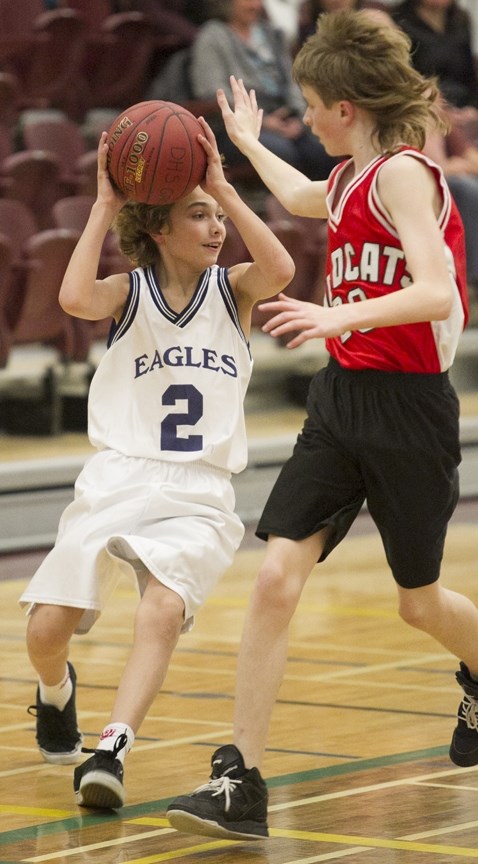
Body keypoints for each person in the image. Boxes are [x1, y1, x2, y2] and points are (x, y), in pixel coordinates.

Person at [166, 10, 478, 842]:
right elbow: (303, 196)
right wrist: (236, 158)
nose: (304, 119)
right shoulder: (345, 178)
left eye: (310, 105)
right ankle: (242, 778)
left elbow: (439, 292)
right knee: (273, 579)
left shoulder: (406, 174)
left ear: (347, 106)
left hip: (411, 409)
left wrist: (336, 316)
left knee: (419, 604)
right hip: (344, 403)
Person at [19, 118, 295, 811]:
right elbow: (73, 298)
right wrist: (106, 206)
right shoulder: (129, 291)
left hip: (200, 490)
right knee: (47, 632)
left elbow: (283, 270)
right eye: (196, 215)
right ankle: (57, 692)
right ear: (160, 229)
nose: (215, 228)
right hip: (118, 477)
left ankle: (111, 748)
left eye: (216, 217)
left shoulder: (234, 293)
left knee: (162, 610)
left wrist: (224, 189)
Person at [189, 0, 339, 180]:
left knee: (323, 147)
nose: (255, 5)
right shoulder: (212, 36)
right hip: (238, 124)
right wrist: (263, 120)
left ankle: (320, 206)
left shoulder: (270, 33)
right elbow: (211, 91)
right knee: (284, 152)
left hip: (284, 114)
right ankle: (282, 206)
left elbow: (293, 81)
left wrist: (300, 118)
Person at [392, 0, 478, 113]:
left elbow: (469, 74)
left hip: (463, 106)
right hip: (423, 107)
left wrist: (472, 109)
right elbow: (401, 80)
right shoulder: (399, 22)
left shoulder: (460, 19)